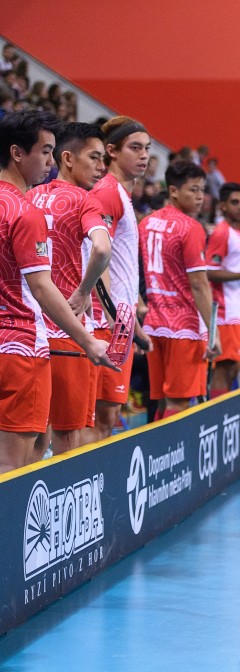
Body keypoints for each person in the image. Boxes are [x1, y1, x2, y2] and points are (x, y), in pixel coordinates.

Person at [0, 112, 114, 473]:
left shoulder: (30, 203)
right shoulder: (25, 210)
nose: (49, 162)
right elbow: (42, 286)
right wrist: (88, 338)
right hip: (24, 344)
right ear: (18, 153)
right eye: (45, 152)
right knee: (20, 462)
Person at [27, 122, 112, 456]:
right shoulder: (84, 201)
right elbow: (103, 250)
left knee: (33, 436)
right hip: (67, 332)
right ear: (67, 158)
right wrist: (82, 291)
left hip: (29, 333)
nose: (102, 166)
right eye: (94, 157)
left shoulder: (28, 197)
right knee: (67, 436)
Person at [139, 160, 220, 418]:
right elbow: (198, 284)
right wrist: (213, 330)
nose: (200, 197)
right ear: (173, 191)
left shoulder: (146, 223)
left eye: (202, 190)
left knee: (160, 402)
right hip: (183, 326)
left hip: (153, 323)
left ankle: (154, 457)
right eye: (193, 190)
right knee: (178, 404)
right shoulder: (192, 228)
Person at [89, 116, 152, 442]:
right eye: (135, 148)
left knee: (109, 416)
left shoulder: (123, 196)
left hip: (121, 318)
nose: (143, 155)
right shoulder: (108, 193)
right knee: (100, 418)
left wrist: (134, 327)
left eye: (147, 149)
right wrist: (116, 317)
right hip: (106, 320)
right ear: (111, 150)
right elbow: (98, 257)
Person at [205, 182, 240, 397]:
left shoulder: (237, 234)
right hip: (224, 311)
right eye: (234, 202)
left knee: (234, 368)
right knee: (224, 368)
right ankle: (216, 420)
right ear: (223, 206)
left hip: (237, 309)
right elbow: (210, 271)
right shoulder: (222, 233)